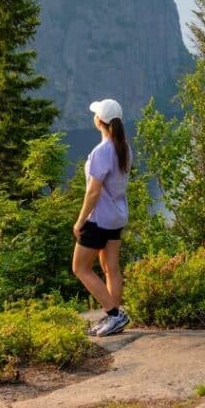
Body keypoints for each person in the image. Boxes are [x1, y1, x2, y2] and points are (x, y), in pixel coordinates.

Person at [73, 98, 132, 337]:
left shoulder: (101, 152)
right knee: (111, 268)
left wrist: (80, 221)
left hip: (98, 219)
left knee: (80, 268)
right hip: (117, 216)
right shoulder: (124, 148)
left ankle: (115, 314)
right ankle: (113, 317)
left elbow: (93, 191)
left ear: (100, 121)